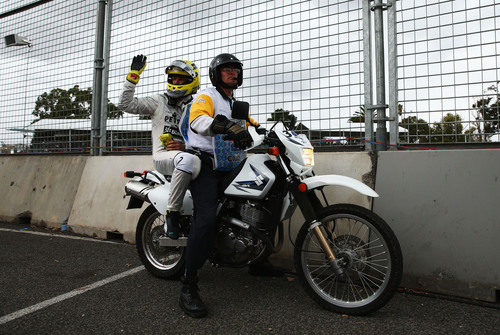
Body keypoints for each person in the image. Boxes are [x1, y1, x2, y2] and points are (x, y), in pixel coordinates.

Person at [179, 53, 281, 319]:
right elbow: (198, 121)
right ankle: (188, 285)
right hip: (207, 165)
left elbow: (252, 128)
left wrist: (273, 134)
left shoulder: (235, 103)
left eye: (236, 70)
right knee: (205, 220)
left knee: (269, 194)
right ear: (216, 74)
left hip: (232, 163)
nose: (233, 73)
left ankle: (258, 260)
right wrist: (224, 126)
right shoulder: (207, 97)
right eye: (227, 70)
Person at [118, 55, 201, 239]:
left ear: (191, 81)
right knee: (187, 159)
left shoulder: (197, 106)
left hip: (190, 157)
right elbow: (125, 104)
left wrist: (185, 145)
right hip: (164, 157)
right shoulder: (159, 101)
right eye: (173, 78)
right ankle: (172, 214)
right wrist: (133, 77)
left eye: (181, 79)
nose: (175, 81)